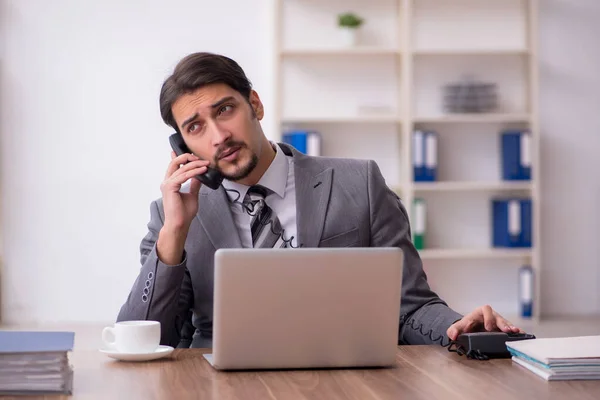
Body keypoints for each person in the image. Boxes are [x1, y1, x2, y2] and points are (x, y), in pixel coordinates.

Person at [117, 52, 523, 348]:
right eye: (195, 127)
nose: (218, 136)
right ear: (182, 146)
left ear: (254, 104)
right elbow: (143, 338)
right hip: (219, 384)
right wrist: (174, 233)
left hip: (344, 376)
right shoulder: (174, 216)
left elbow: (410, 307)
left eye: (225, 110)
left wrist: (459, 329)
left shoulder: (358, 181)